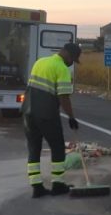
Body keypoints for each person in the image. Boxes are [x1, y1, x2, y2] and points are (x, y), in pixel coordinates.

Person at [21, 42, 81, 198]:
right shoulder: (61, 69)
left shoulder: (40, 62)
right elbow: (63, 96)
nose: (71, 63)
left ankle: (37, 187)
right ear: (67, 54)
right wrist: (71, 117)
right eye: (73, 59)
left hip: (28, 112)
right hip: (46, 114)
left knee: (34, 148)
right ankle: (58, 184)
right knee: (58, 147)